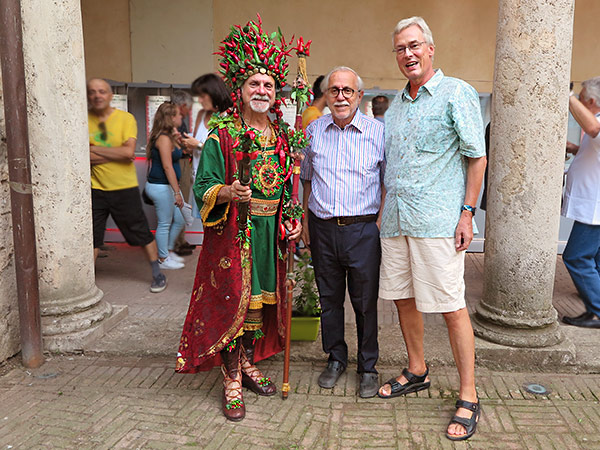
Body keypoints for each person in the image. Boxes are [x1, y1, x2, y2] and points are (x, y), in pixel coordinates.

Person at [175, 17, 302, 422]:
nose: (261, 90)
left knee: (258, 305)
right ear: (240, 90)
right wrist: (227, 192)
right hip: (234, 231)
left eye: (267, 84)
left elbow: (287, 188)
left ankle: (246, 362)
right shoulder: (222, 133)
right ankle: (230, 377)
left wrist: (292, 219)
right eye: (254, 84)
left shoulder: (283, 134)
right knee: (233, 300)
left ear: (274, 91)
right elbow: (204, 185)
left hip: (270, 233)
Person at [377, 17, 486, 442]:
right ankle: (417, 369)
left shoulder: (456, 93)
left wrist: (467, 213)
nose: (408, 54)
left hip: (438, 221)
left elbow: (476, 157)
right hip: (397, 222)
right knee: (404, 300)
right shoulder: (396, 105)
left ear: (431, 48)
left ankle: (469, 393)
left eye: (414, 45)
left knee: (450, 305)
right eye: (401, 48)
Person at [300, 66, 385, 398]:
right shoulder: (313, 131)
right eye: (334, 90)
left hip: (363, 231)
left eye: (347, 90)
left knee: (365, 303)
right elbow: (307, 179)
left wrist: (377, 227)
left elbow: (387, 185)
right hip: (322, 230)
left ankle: (368, 366)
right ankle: (335, 357)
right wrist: (307, 223)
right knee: (329, 299)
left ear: (359, 95)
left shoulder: (378, 133)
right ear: (327, 95)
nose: (340, 96)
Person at [87, 78, 167, 293]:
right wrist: (115, 153)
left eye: (102, 91)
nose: (97, 95)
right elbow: (82, 157)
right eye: (92, 92)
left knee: (140, 233)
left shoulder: (125, 118)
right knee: (92, 237)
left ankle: (157, 274)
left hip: (123, 188)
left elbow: (128, 152)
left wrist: (94, 149)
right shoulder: (83, 120)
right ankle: (86, 284)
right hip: (96, 189)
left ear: (110, 95)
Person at [561, 77, 600, 328]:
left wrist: (567, 97)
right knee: (594, 261)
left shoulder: (596, 122)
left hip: (595, 208)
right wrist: (574, 148)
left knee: (576, 257)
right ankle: (593, 309)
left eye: (583, 98)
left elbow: (594, 130)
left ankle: (597, 309)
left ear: (592, 102)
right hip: (592, 205)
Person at [144, 102, 186, 270]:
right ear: (170, 117)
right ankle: (162, 258)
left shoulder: (168, 136)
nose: (181, 117)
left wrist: (178, 140)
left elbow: (180, 154)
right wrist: (177, 192)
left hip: (167, 186)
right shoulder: (162, 138)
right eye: (178, 114)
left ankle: (167, 251)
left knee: (181, 218)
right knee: (164, 223)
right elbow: (167, 167)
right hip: (160, 186)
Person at [187, 73, 233, 217]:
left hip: (219, 184)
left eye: (202, 96)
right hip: (199, 178)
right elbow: (195, 142)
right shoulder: (201, 114)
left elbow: (226, 152)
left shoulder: (228, 116)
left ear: (214, 93)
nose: (200, 100)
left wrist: (199, 145)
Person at [170, 90, 196, 256]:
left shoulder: (177, 118)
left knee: (184, 202)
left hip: (183, 161)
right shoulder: (172, 119)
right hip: (178, 163)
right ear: (183, 105)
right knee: (180, 203)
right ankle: (175, 244)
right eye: (189, 108)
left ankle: (181, 240)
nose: (189, 111)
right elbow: (177, 143)